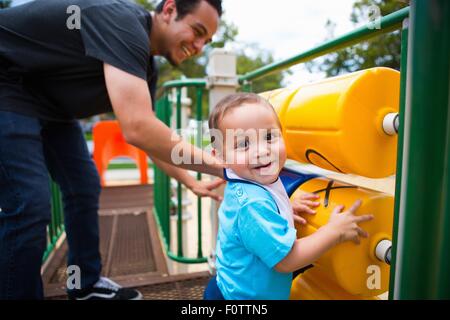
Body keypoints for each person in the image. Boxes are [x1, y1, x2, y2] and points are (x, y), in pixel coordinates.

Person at [0, 0, 224, 300]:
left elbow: (150, 138)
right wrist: (224, 167)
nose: (198, 46)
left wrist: (191, 181)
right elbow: (137, 126)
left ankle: (85, 284)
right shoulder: (122, 21)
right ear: (169, 10)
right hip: (8, 80)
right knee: (29, 202)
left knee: (83, 186)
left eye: (206, 41)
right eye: (197, 32)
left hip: (47, 103)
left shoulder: (146, 67)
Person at [203, 93, 374, 300]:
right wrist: (333, 232)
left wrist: (284, 210)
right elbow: (287, 261)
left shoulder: (247, 180)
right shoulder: (252, 204)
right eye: (243, 144)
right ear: (220, 157)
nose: (262, 151)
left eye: (268, 137)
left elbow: (249, 227)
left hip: (230, 287)